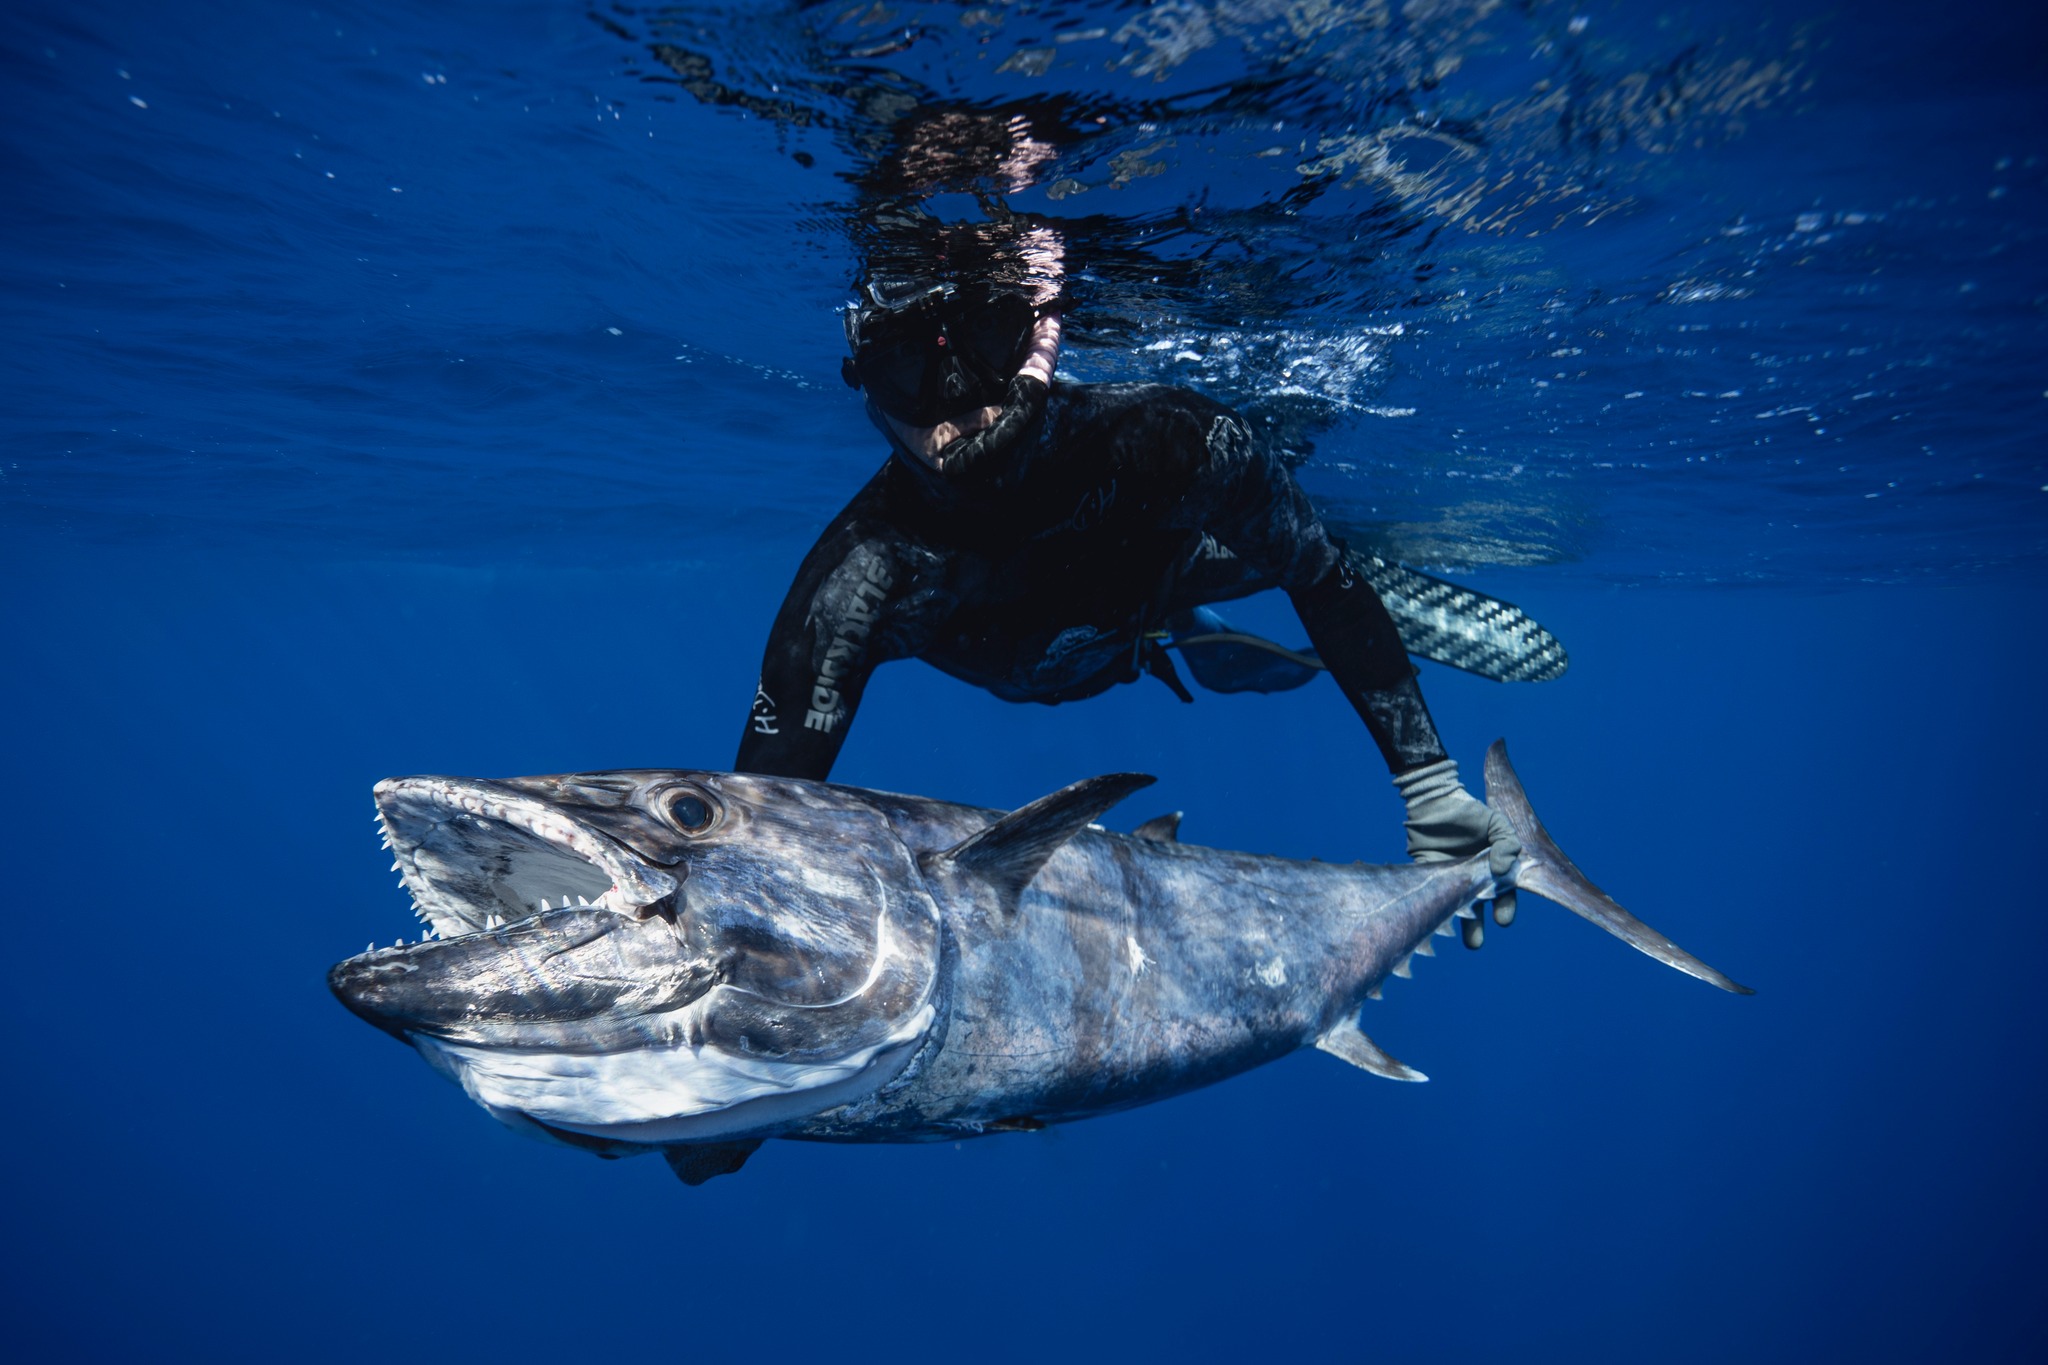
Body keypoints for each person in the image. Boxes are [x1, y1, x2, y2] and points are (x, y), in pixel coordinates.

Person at [735, 264, 1522, 946]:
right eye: (905, 365)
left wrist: (1432, 791)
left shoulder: (1170, 445)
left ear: (1040, 334)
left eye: (985, 336)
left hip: (1166, 572)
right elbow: (755, 841)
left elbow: (1317, 579)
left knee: (1293, 549)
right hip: (1098, 628)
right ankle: (1199, 629)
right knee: (1275, 568)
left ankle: (1243, 596)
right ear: (865, 389)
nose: (955, 399)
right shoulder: (862, 578)